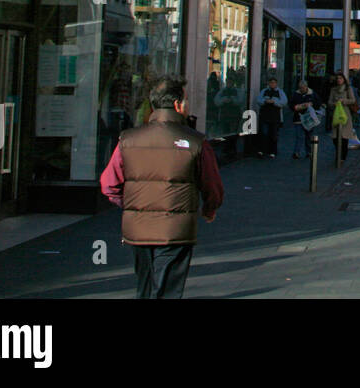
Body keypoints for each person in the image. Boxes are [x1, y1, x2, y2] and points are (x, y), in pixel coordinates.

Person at [99, 76, 224, 299]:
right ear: (177, 105)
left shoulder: (128, 139)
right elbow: (211, 183)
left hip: (138, 228)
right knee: (167, 287)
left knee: (145, 285)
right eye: (185, 102)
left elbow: (109, 184)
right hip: (175, 229)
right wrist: (209, 209)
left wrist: (130, 205)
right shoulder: (195, 142)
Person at [327, 72, 358, 160]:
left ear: (344, 79)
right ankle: (338, 153)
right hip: (336, 114)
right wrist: (334, 103)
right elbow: (329, 102)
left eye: (340, 78)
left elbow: (352, 100)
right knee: (335, 137)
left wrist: (344, 101)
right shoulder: (333, 90)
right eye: (337, 78)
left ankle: (342, 156)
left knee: (344, 137)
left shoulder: (348, 89)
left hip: (345, 113)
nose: (339, 80)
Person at [255, 76, 287, 158]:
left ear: (276, 84)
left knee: (274, 134)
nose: (272, 84)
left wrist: (274, 101)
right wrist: (265, 101)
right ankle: (262, 150)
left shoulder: (280, 92)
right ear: (268, 83)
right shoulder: (264, 91)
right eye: (271, 82)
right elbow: (258, 100)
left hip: (275, 117)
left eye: (274, 83)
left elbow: (284, 102)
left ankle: (272, 151)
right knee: (264, 133)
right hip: (265, 116)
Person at [290, 77, 320, 159]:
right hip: (298, 118)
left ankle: (309, 152)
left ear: (306, 87)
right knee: (299, 136)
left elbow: (318, 103)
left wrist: (311, 104)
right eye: (300, 88)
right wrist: (298, 107)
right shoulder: (295, 94)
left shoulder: (312, 94)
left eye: (303, 88)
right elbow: (291, 105)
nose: (302, 89)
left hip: (309, 118)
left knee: (309, 136)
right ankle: (296, 152)